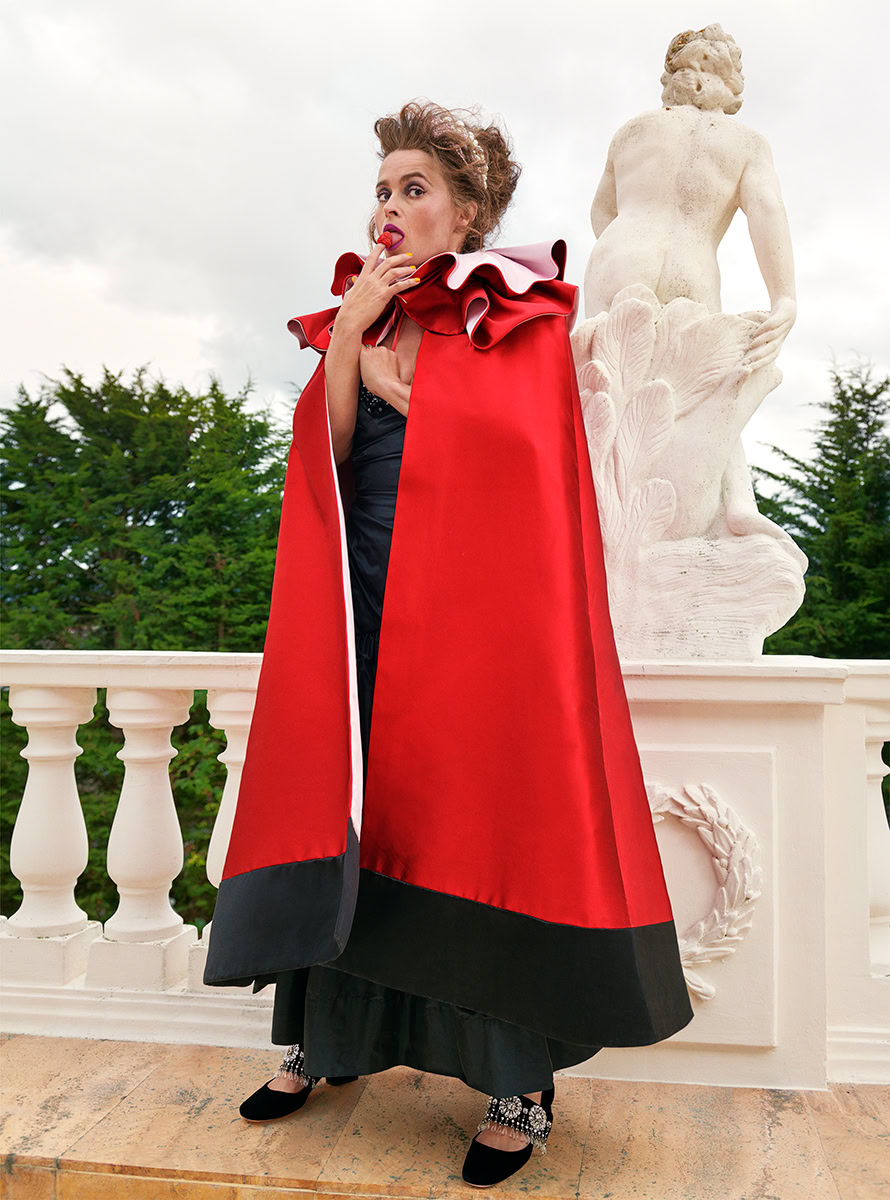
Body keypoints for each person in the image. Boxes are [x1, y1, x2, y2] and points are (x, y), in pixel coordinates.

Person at [203, 99, 694, 1188]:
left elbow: (519, 464)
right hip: (363, 602)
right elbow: (324, 461)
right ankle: (325, 1043)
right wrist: (349, 342)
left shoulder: (512, 311)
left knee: (471, 822)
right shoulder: (362, 315)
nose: (389, 207)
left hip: (472, 620)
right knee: (359, 810)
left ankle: (516, 1088)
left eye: (413, 188)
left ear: (466, 211)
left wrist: (409, 385)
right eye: (381, 189)